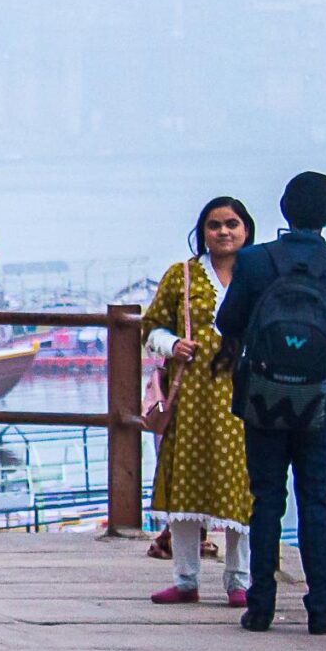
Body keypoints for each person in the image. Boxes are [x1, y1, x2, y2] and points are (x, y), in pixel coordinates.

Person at [213, 171, 326, 636]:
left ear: (284, 209)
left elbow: (228, 321)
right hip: (321, 398)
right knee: (314, 499)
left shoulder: (256, 261)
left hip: (263, 396)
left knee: (267, 499)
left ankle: (259, 606)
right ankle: (322, 606)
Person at [140, 197, 257, 607]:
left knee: (240, 487)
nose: (223, 232)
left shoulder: (259, 274)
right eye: (214, 225)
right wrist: (172, 344)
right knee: (185, 486)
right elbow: (150, 327)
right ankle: (186, 579)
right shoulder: (182, 276)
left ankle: (239, 580)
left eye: (231, 224)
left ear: (246, 229)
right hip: (190, 399)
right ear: (202, 231)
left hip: (243, 396)